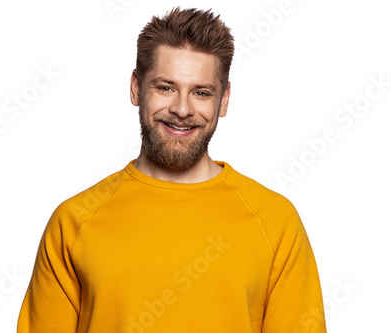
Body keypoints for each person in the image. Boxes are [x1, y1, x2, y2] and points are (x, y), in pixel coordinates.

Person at [17, 7, 327, 332]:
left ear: (223, 100)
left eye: (201, 92)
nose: (181, 109)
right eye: (165, 87)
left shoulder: (275, 221)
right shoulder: (74, 221)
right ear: (137, 87)